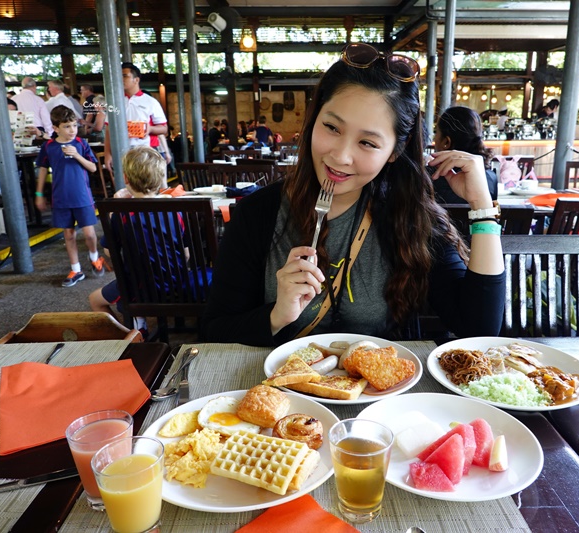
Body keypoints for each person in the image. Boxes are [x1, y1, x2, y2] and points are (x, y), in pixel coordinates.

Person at [201, 42, 505, 346]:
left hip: (380, 388)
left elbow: (479, 329)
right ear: (313, 118)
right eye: (332, 127)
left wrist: (482, 207)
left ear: (395, 151)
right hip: (283, 388)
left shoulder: (411, 218)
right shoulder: (257, 214)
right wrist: (277, 315)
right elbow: (214, 330)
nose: (341, 156)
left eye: (368, 143)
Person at [88, 146, 190, 337]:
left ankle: (128, 335)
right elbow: (186, 254)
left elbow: (111, 253)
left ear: (126, 178)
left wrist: (113, 213)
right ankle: (139, 323)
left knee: (94, 299)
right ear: (161, 179)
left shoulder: (121, 215)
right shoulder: (176, 211)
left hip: (138, 287)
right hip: (176, 283)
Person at [34, 105, 104, 287]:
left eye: (74, 125)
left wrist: (77, 156)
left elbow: (93, 168)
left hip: (82, 196)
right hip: (61, 197)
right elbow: (42, 169)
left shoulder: (81, 144)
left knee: (89, 234)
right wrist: (39, 193)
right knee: (69, 234)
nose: (72, 130)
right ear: (56, 128)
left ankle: (95, 257)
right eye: (66, 126)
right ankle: (75, 269)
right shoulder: (48, 146)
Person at [103, 62, 168, 174]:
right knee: (125, 186)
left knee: (145, 185)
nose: (121, 79)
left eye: (125, 76)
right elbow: (109, 129)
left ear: (136, 80)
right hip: (121, 151)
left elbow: (164, 128)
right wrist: (107, 154)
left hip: (145, 150)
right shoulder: (115, 102)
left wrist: (150, 129)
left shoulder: (150, 102)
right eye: (119, 76)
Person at [431, 106, 498, 204]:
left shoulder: (429, 177)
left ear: (446, 141)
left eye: (436, 132)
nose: (434, 138)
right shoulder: (490, 177)